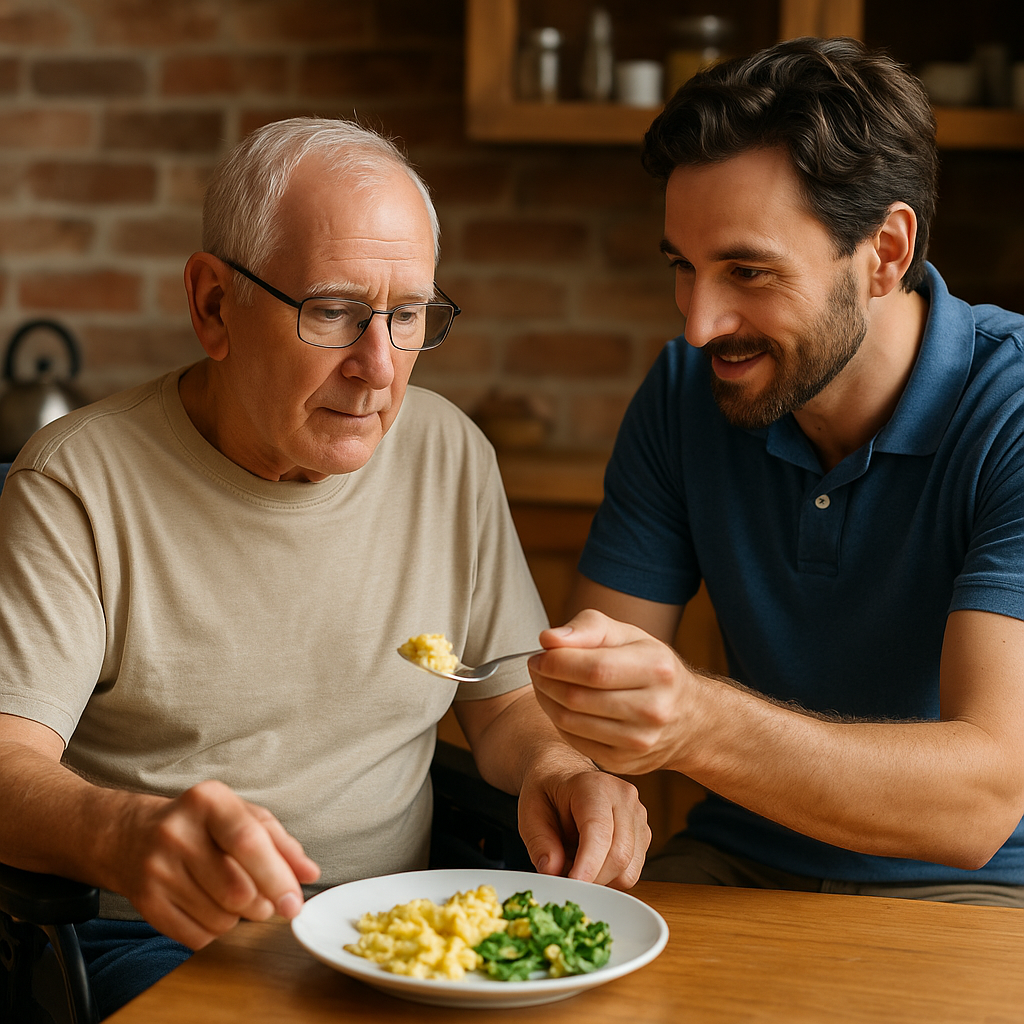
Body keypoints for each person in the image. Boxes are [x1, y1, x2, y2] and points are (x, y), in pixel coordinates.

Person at [0, 117, 649, 1016]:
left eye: (410, 316)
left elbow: (501, 701)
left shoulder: (449, 454)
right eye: (333, 311)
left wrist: (560, 767)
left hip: (404, 931)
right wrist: (123, 835)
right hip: (167, 940)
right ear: (213, 306)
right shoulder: (76, 483)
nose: (379, 368)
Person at [528, 36, 1024, 907]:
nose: (700, 326)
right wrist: (571, 766)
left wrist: (697, 720)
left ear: (886, 251)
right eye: (683, 267)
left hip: (978, 891)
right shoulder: (687, 392)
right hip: (732, 865)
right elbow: (590, 701)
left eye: (747, 271)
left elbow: (981, 802)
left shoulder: (1010, 410)